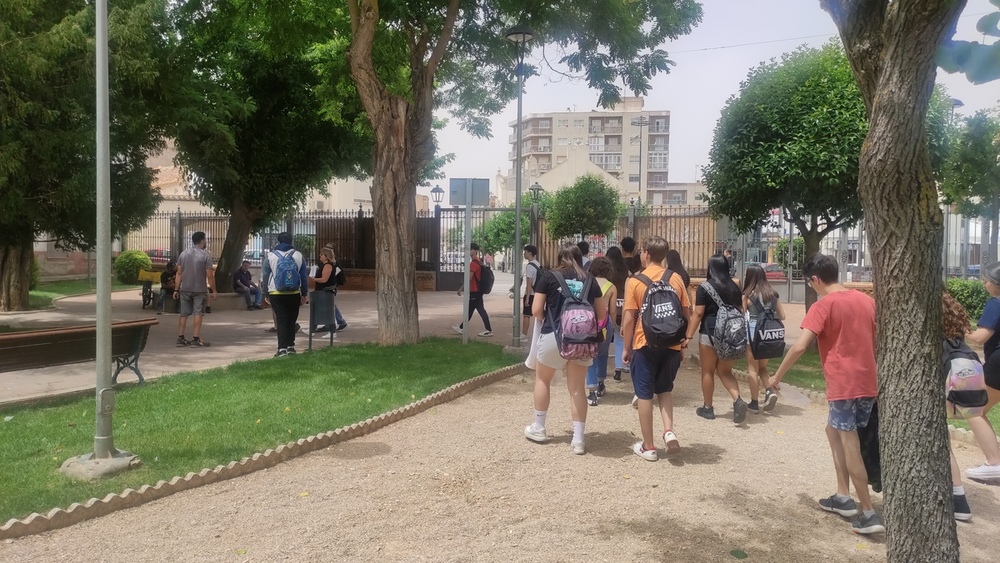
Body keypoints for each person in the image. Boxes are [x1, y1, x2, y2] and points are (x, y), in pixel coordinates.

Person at [768, 253, 885, 535]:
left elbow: (799, 346)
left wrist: (776, 377)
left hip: (843, 385)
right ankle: (842, 496)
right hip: (868, 382)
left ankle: (868, 512)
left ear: (817, 279)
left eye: (810, 283)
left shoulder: (823, 305)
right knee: (833, 431)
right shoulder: (866, 300)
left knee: (849, 442)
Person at [524, 242, 606, 455]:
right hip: (583, 341)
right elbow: (602, 314)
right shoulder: (590, 280)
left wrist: (551, 321)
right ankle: (578, 440)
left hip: (554, 336)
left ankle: (539, 428)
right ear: (580, 258)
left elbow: (535, 310)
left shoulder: (549, 277)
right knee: (577, 389)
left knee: (543, 380)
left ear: (560, 257)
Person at [622, 236, 692, 461]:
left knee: (644, 394)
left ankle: (649, 446)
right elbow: (686, 315)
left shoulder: (635, 281)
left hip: (645, 343)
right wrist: (682, 344)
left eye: (642, 251)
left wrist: (626, 348)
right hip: (671, 342)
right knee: (665, 389)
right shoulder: (676, 278)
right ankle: (668, 430)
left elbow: (628, 319)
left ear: (647, 254)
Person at [686, 254, 748, 424]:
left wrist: (688, 336)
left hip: (709, 332)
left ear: (710, 268)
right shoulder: (735, 288)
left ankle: (708, 408)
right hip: (730, 335)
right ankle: (738, 400)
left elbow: (698, 314)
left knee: (708, 370)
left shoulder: (704, 288)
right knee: (725, 371)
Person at [963, 261, 1000, 481]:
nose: (983, 283)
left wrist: (958, 326)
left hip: (997, 362)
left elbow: (979, 337)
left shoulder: (995, 303)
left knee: (974, 409)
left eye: (986, 280)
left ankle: (994, 463)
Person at [942, 292, 975, 521]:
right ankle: (957, 494)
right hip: (959, 375)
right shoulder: (954, 318)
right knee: (943, 438)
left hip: (944, 378)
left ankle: (957, 496)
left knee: (943, 441)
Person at [742, 264, 786, 413]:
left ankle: (754, 403)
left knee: (752, 369)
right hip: (768, 334)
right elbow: (783, 316)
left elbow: (742, 316)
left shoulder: (747, 296)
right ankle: (769, 391)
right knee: (762, 367)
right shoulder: (773, 294)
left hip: (753, 334)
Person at [262, 232, 309, 357]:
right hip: (294, 292)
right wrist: (304, 293)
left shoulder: (271, 256)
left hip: (276, 292)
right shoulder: (298, 255)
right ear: (291, 240)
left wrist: (265, 293)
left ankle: (282, 349)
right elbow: (303, 276)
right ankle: (291, 347)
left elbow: (265, 276)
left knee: (281, 320)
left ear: (278, 241)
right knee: (291, 320)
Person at [174, 231, 216, 347]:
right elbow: (210, 275)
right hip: (199, 289)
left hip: (185, 289)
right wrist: (214, 290)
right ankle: (195, 339)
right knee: (198, 313)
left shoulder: (183, 254)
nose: (206, 242)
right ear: (202, 241)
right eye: (205, 240)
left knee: (183, 314)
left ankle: (181, 338)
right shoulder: (205, 255)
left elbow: (179, 273)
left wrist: (176, 289)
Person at [585, 257, 617, 406]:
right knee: (602, 354)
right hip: (605, 324)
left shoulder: (587, 282)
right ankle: (601, 383)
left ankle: (591, 391)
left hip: (589, 322)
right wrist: (614, 326)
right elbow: (612, 311)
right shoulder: (611, 287)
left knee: (590, 355)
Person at [453, 242, 493, 337]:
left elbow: (469, 278)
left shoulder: (474, 263)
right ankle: (462, 327)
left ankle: (488, 330)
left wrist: (461, 288)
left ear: (475, 251)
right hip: (477, 290)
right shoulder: (478, 261)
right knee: (471, 310)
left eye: (470, 249)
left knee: (480, 310)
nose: (469, 251)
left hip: (475, 290)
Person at [605, 246, 631, 381]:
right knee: (624, 338)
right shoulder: (625, 270)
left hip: (612, 308)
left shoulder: (608, 272)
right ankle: (625, 365)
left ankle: (617, 369)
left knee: (615, 338)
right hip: (625, 307)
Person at [310, 246, 348, 333]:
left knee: (327, 307)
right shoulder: (326, 265)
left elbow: (324, 279)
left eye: (321, 254)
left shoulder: (328, 265)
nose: (319, 256)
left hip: (326, 289)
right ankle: (328, 326)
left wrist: (314, 279)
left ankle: (331, 327)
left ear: (326, 256)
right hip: (325, 289)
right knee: (328, 306)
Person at [522, 245, 541, 339]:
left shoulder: (529, 266)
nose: (524, 254)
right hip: (538, 292)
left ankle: (524, 335)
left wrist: (527, 298)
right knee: (538, 315)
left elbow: (529, 283)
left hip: (531, 293)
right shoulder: (537, 264)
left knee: (526, 315)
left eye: (525, 252)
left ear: (529, 253)